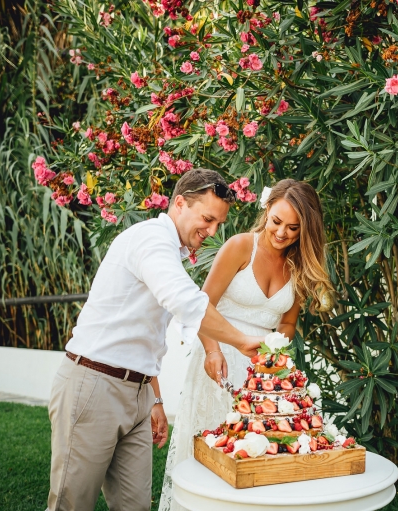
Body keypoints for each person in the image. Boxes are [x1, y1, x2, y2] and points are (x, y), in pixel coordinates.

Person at [47, 169, 264, 511]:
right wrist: (240, 340)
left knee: (135, 506)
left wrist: (154, 399)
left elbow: (147, 336)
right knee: (72, 505)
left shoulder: (170, 252)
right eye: (208, 219)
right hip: (93, 386)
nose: (212, 232)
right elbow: (185, 301)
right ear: (180, 203)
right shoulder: (151, 239)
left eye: (218, 224)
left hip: (138, 393)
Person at [158, 179, 333, 511]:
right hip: (220, 358)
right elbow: (202, 305)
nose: (281, 233)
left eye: (293, 228)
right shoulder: (240, 246)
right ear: (266, 210)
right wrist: (213, 351)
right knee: (215, 455)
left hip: (262, 372)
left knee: (256, 457)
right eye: (276, 221)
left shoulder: (298, 267)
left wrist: (274, 357)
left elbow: (287, 323)